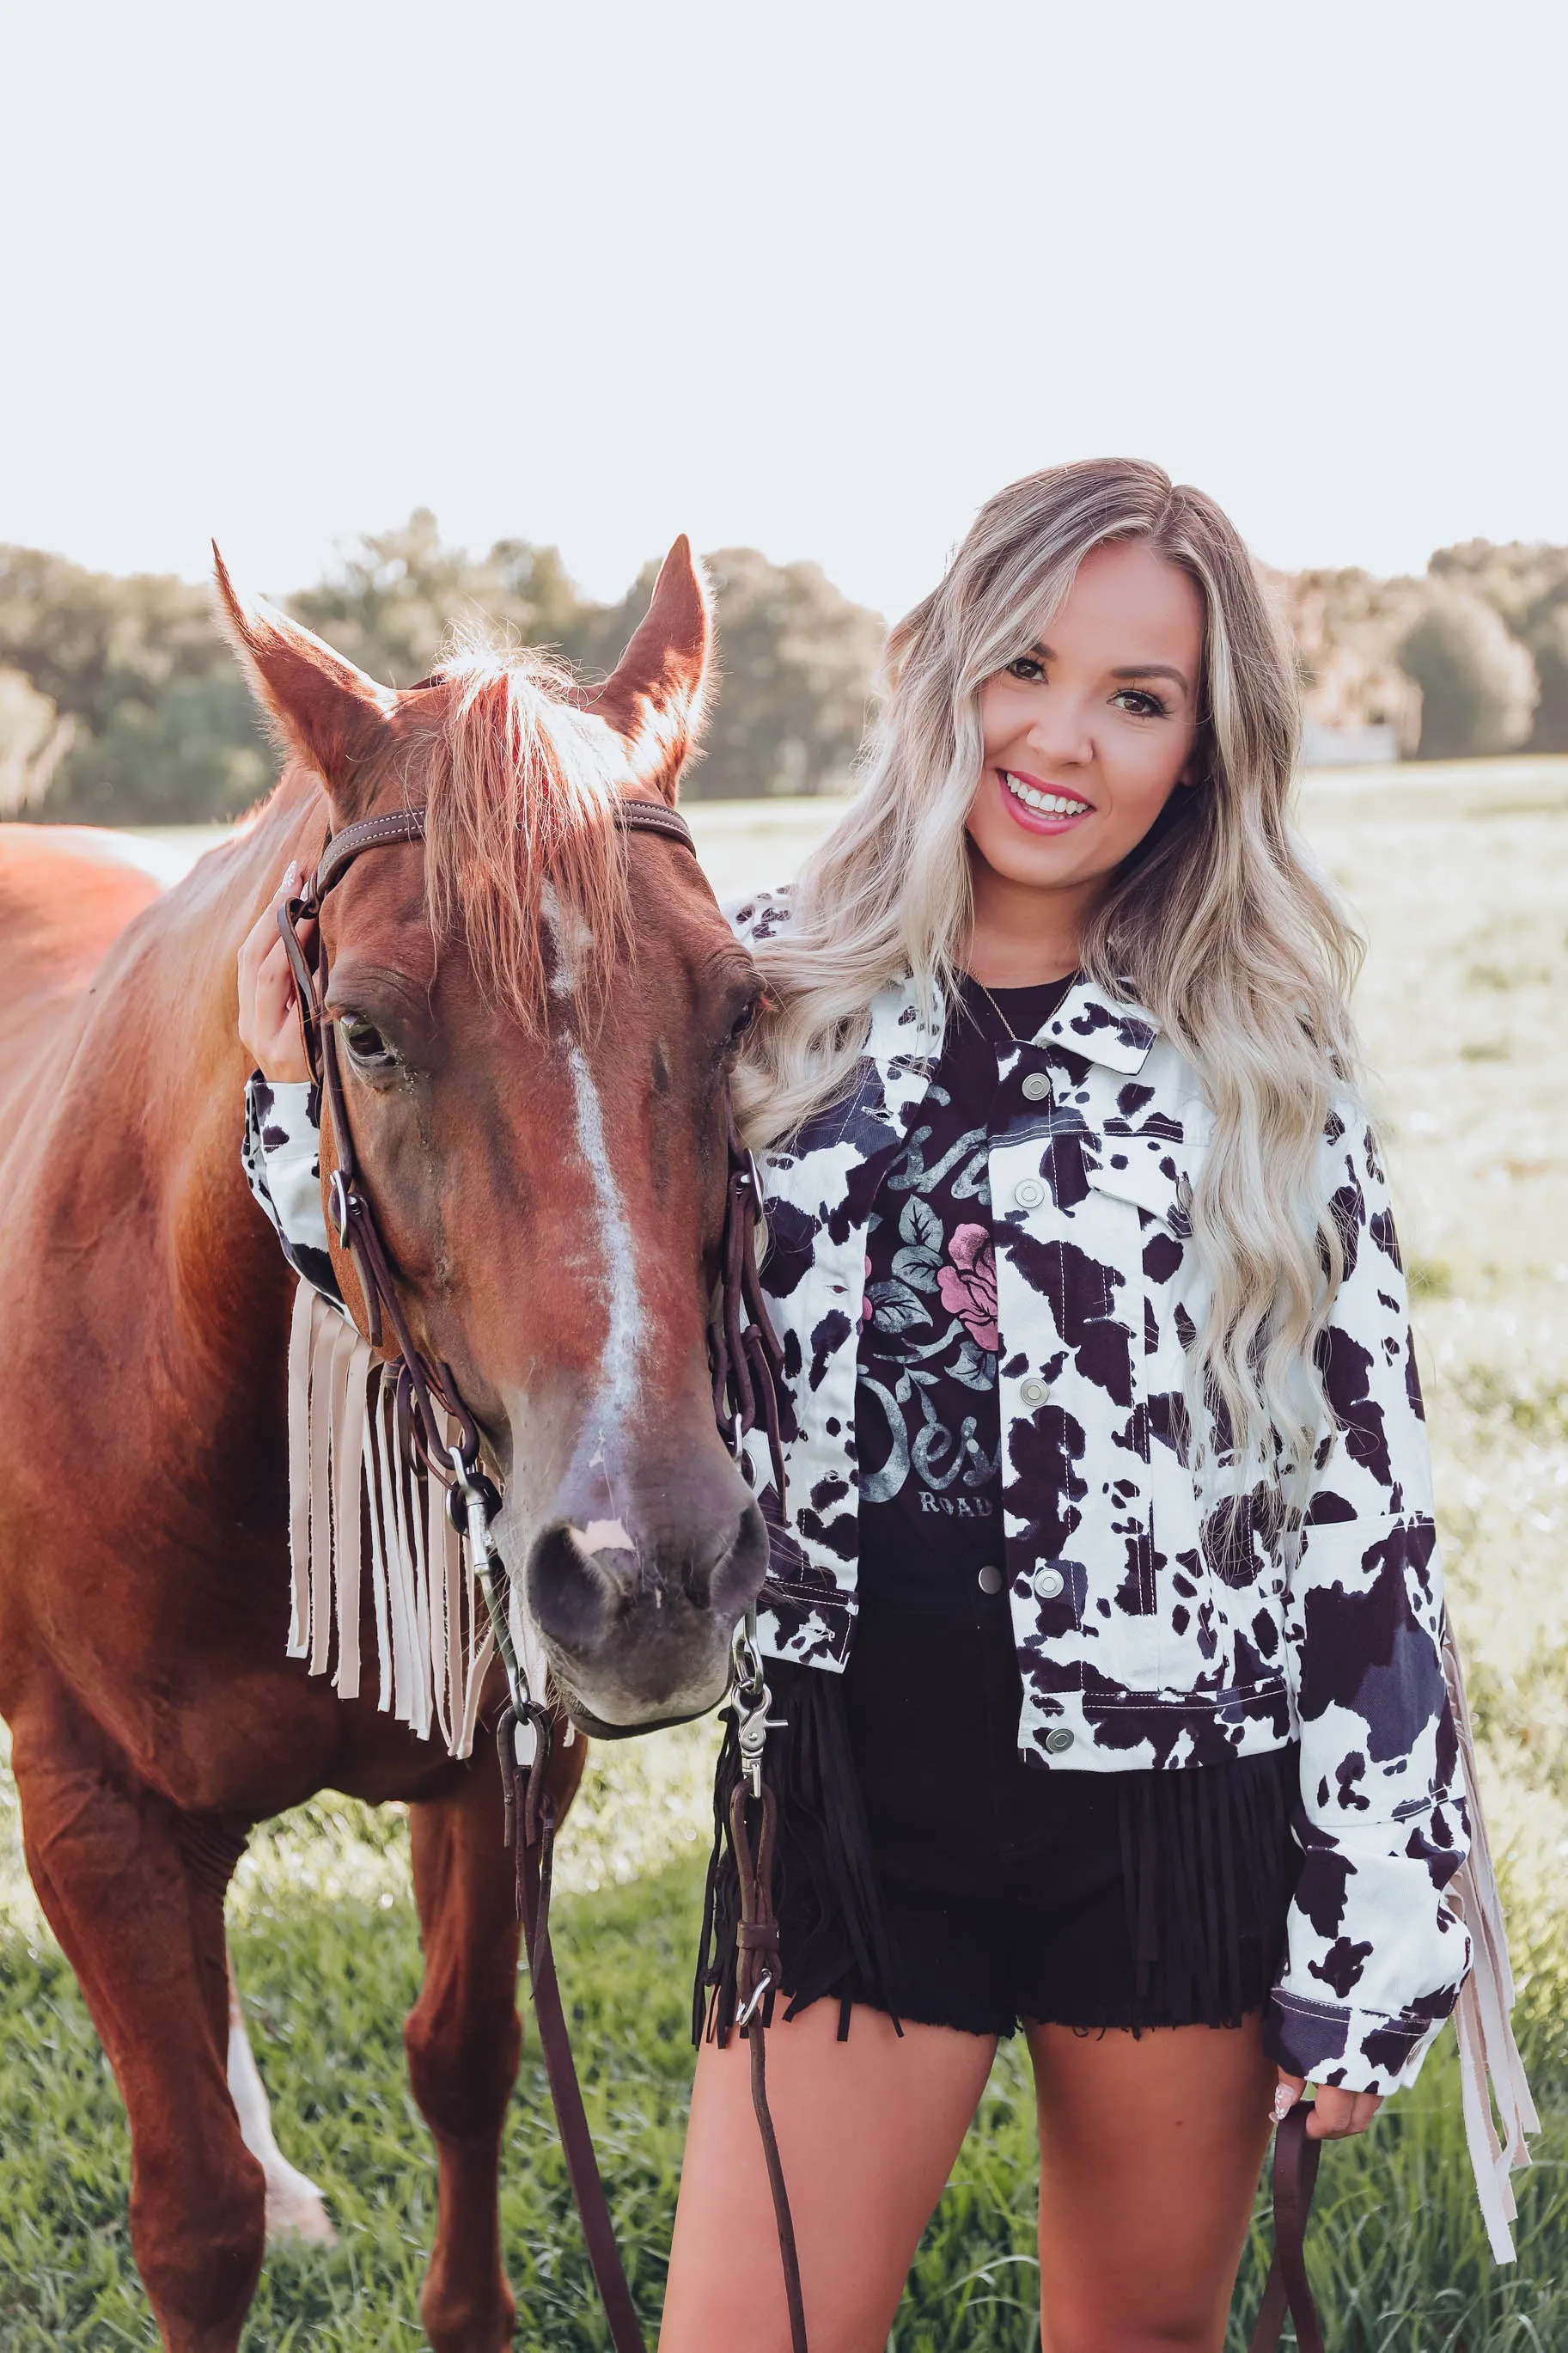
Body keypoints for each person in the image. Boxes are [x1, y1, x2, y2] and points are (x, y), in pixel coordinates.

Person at [240, 459, 1518, 2353]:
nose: (1062, 737)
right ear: (945, 674)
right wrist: (291, 1086)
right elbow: (496, 1215)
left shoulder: (1262, 1063)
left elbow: (1365, 1505)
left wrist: (1382, 1924)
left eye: (1138, 696)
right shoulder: (768, 989)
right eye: (1024, 664)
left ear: (1205, 739)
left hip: (1175, 1813)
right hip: (849, 1799)